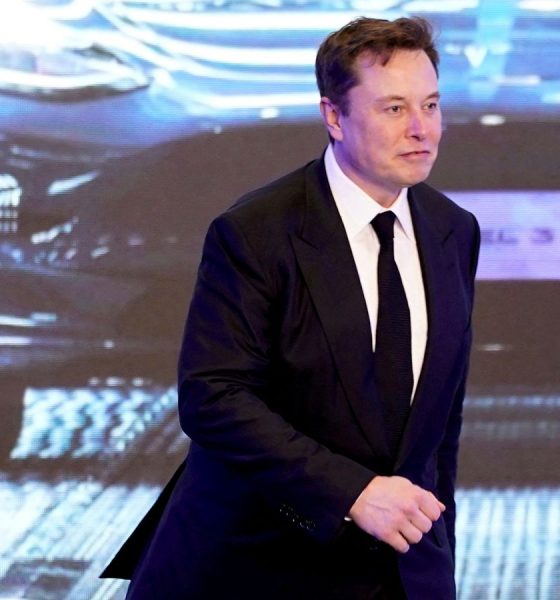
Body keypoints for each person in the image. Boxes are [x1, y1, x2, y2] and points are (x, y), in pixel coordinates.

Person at [102, 16, 480, 599]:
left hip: (403, 571)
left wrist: (436, 560)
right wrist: (353, 493)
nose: (421, 129)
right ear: (334, 116)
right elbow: (214, 396)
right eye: (394, 109)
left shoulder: (453, 229)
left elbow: (439, 423)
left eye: (430, 105)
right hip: (259, 565)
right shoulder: (256, 231)